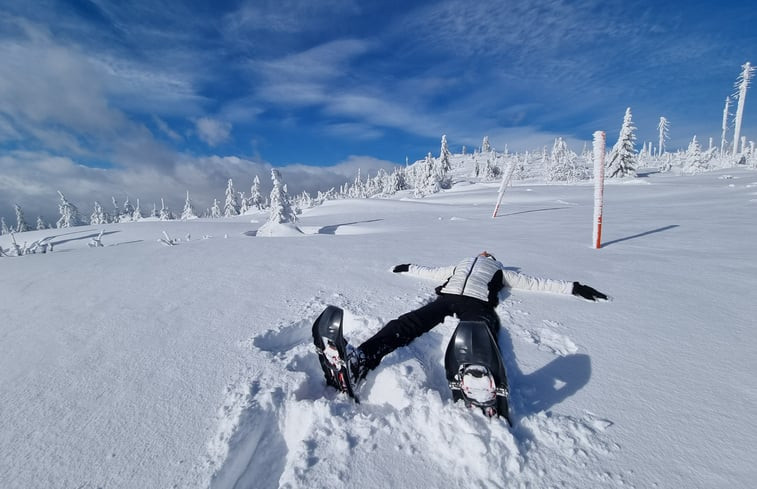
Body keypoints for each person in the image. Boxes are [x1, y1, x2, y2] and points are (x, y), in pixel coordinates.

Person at [346, 251, 608, 386]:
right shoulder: (460, 264)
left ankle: (478, 378)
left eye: (487, 254)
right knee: (405, 324)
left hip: (477, 302)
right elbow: (434, 271)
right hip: (447, 298)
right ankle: (362, 358)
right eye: (482, 253)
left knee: (480, 331)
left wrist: (573, 287)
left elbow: (536, 282)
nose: (483, 254)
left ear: (492, 259)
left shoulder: (500, 271)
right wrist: (409, 267)